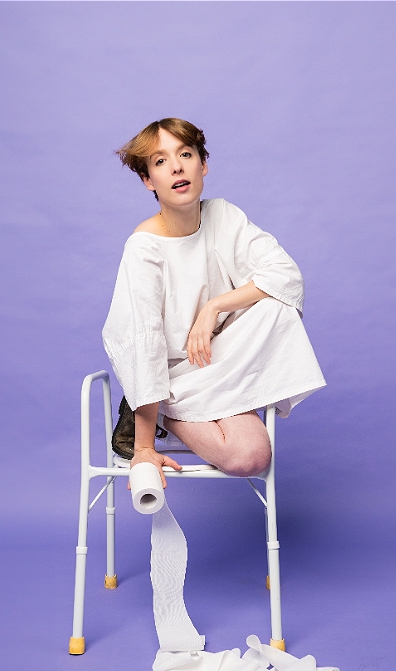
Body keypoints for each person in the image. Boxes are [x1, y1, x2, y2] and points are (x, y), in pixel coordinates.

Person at [102, 118, 325, 487]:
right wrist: (143, 448)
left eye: (185, 154)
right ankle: (160, 416)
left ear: (202, 165)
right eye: (160, 162)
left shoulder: (224, 216)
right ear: (148, 180)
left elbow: (286, 275)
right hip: (170, 379)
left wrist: (214, 307)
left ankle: (191, 405)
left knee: (275, 305)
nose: (176, 166)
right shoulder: (143, 248)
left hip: (215, 362)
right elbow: (144, 345)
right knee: (243, 453)